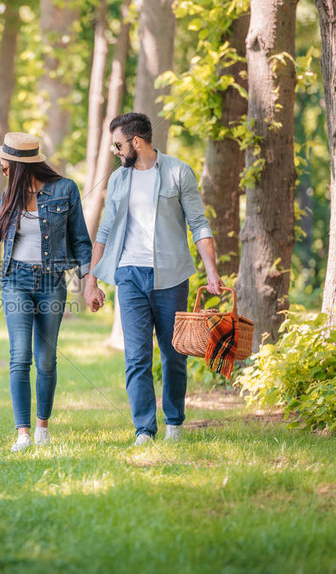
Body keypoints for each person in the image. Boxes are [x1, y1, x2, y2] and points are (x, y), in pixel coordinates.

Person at [0, 132, 92, 452]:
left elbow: (80, 241)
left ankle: (42, 428)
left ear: (22, 166)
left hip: (52, 283)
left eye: (6, 167)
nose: (3, 171)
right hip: (15, 282)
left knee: (46, 360)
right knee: (19, 356)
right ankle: (23, 433)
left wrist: (89, 281)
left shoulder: (66, 190)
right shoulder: (10, 195)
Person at [83, 112, 223, 446]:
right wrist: (92, 279)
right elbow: (104, 231)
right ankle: (144, 429)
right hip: (129, 275)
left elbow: (199, 225)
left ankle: (174, 422)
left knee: (174, 354)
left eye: (119, 144)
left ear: (136, 141)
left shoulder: (177, 172)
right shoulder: (118, 179)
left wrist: (213, 272)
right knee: (136, 357)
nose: (116, 151)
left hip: (171, 276)